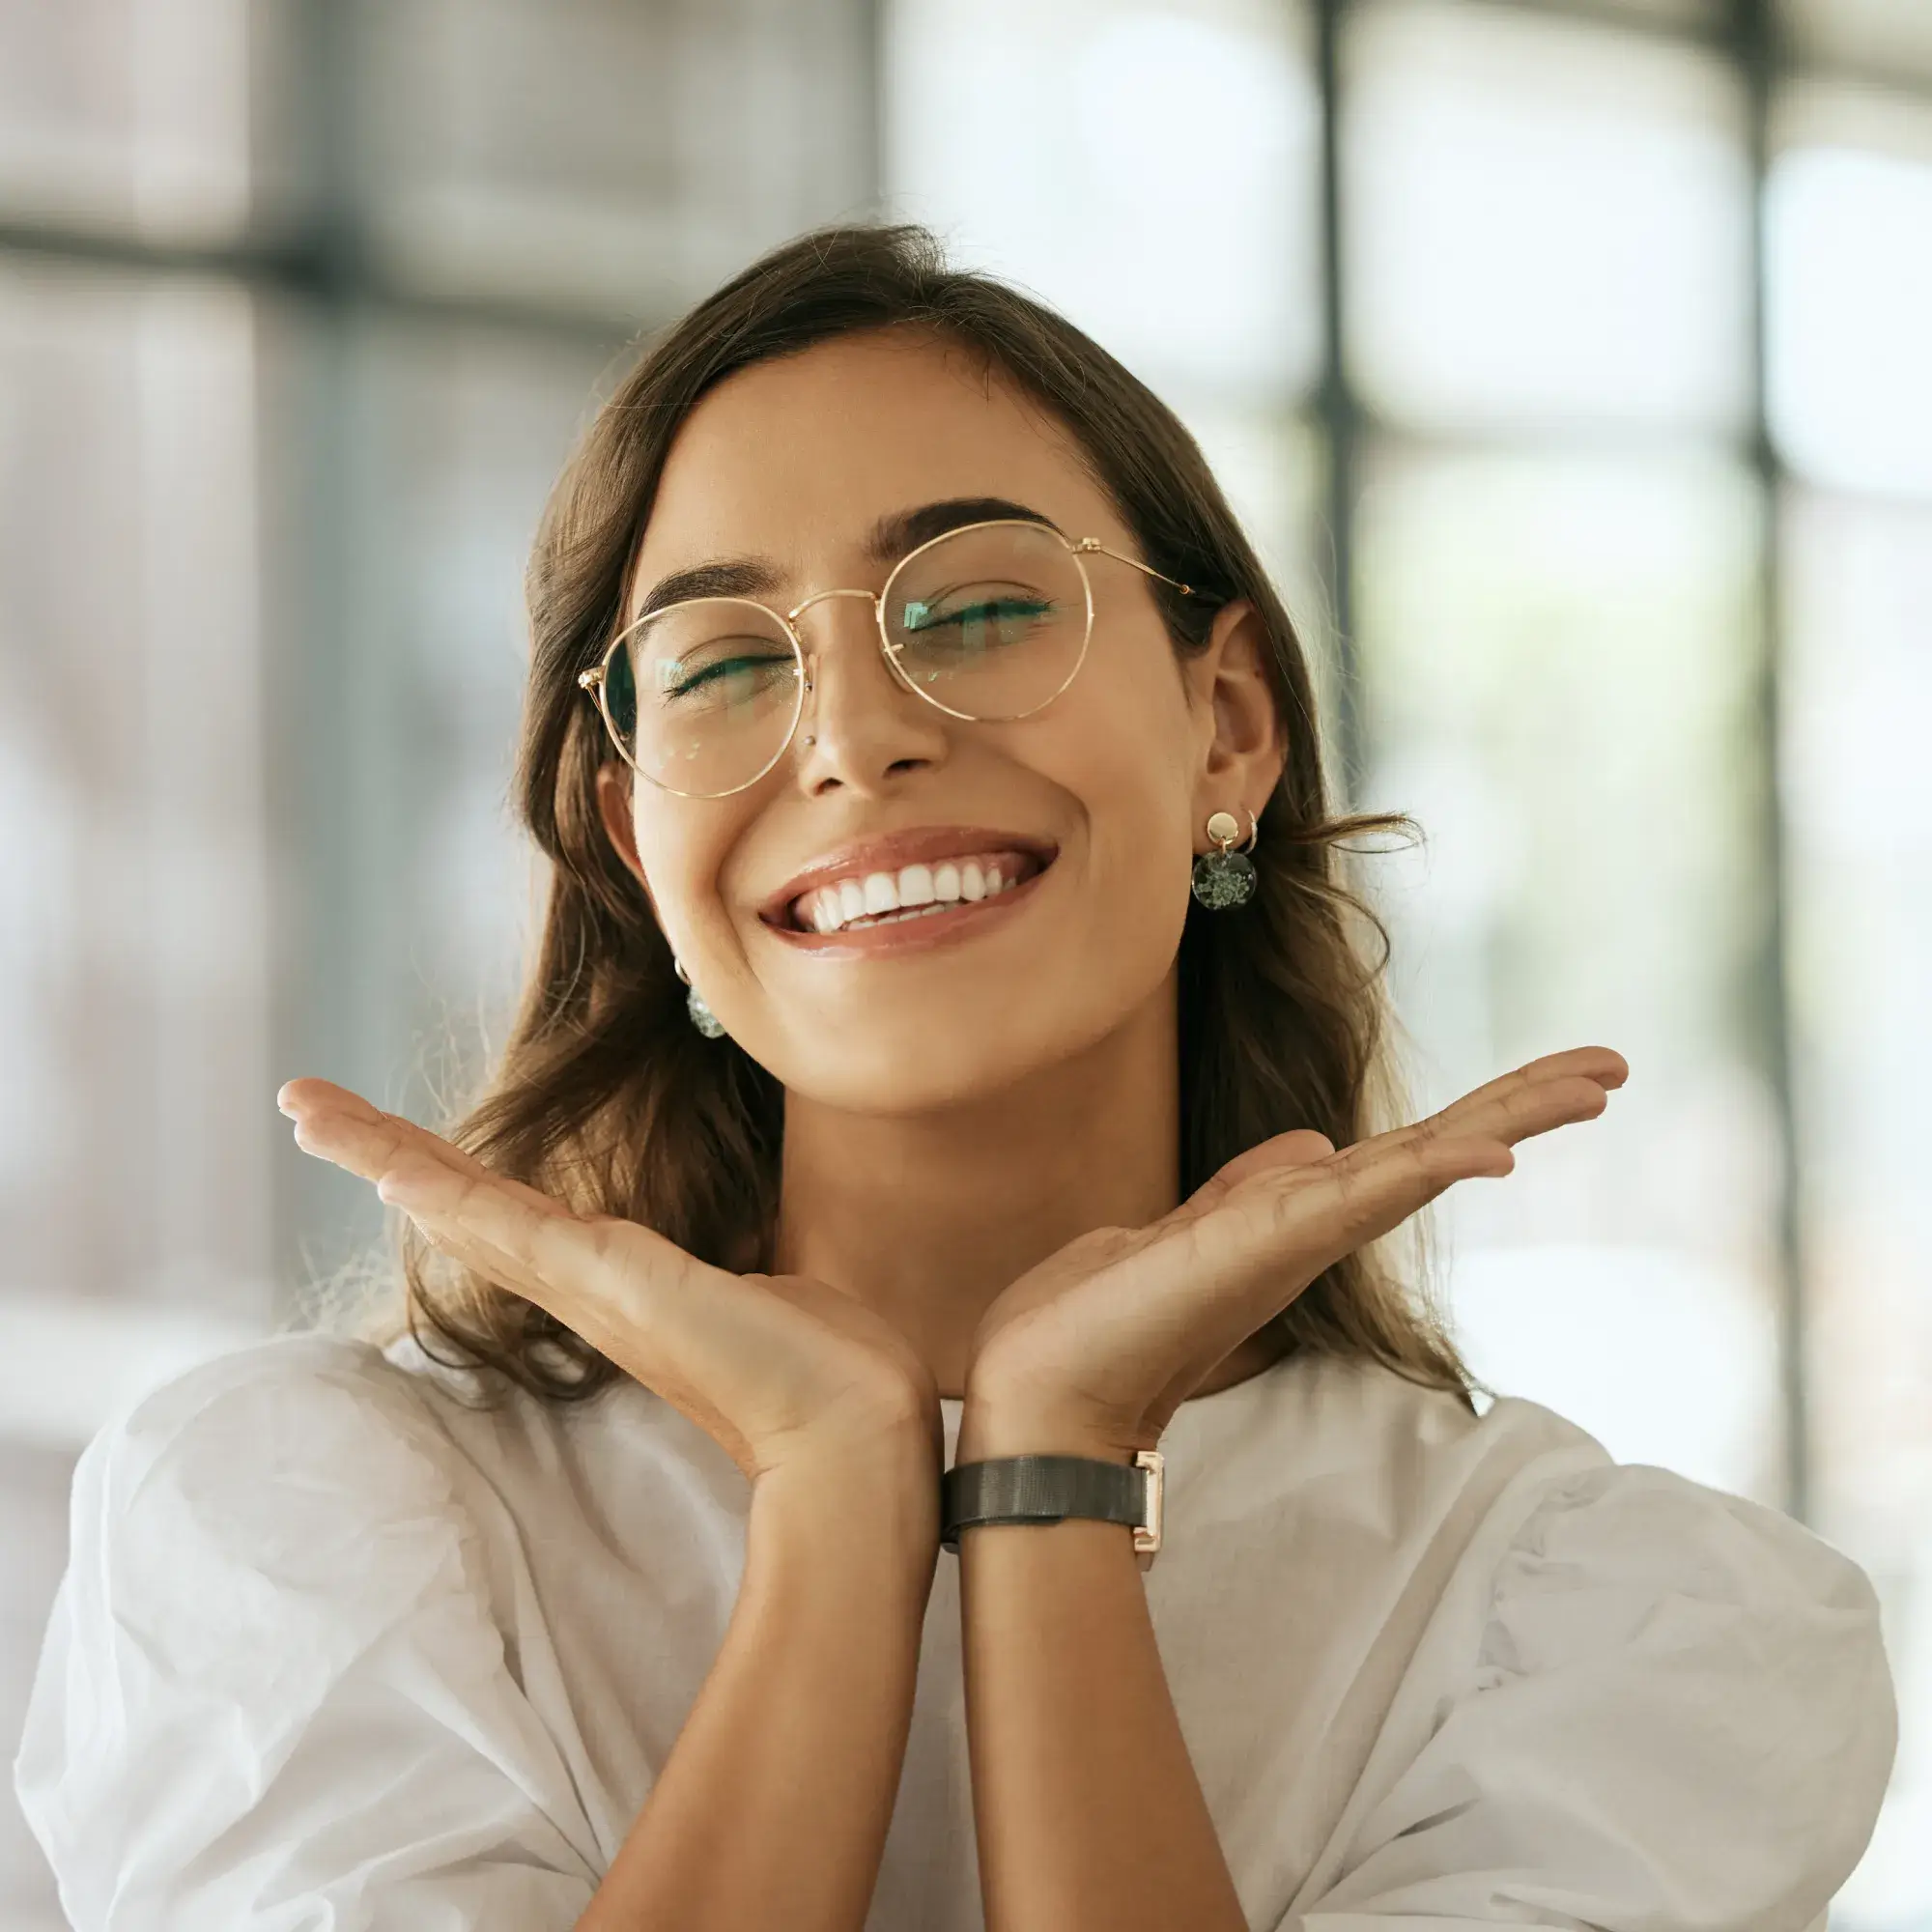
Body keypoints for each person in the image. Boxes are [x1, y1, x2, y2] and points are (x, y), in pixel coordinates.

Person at [14, 222, 1895, 1932]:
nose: (851, 734)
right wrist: (836, 1494)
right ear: (630, 840)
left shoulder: (1614, 1627)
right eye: (723, 661)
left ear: (1223, 724)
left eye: (979, 608)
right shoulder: (294, 1532)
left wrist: (1052, 1477)